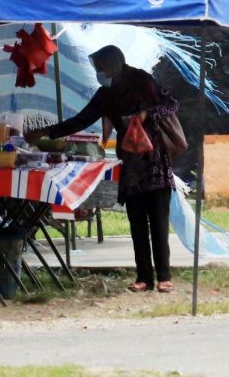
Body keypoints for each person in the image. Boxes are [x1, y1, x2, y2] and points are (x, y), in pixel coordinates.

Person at [27, 45, 178, 293]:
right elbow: (80, 120)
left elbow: (171, 104)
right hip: (130, 164)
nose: (99, 73)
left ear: (113, 65)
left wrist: (145, 113)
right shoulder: (105, 95)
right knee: (137, 222)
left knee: (159, 222)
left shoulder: (143, 81)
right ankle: (144, 278)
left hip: (154, 162)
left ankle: (164, 276)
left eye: (101, 69)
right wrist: (45, 132)